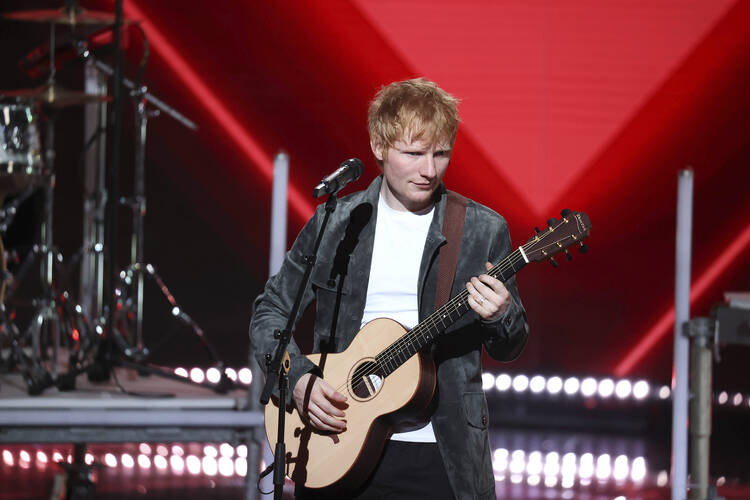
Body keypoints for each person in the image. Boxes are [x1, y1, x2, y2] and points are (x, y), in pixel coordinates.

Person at [250, 78, 528, 499]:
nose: (429, 170)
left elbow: (510, 346)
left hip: (440, 452)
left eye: (441, 154)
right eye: (414, 154)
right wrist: (299, 381)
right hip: (338, 439)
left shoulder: (480, 229)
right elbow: (271, 310)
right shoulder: (338, 222)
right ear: (379, 147)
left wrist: (502, 314)